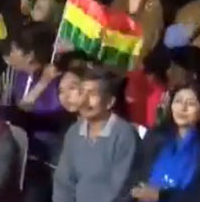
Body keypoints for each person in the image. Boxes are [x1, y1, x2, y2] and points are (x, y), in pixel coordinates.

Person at [121, 83, 200, 202]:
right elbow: (133, 179)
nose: (182, 108)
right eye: (178, 101)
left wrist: (161, 196)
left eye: (191, 103)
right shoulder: (156, 137)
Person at [53, 67, 140, 202]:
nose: (84, 101)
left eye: (92, 94)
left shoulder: (125, 135)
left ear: (110, 102)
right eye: (82, 93)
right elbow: (63, 182)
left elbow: (121, 188)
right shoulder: (74, 132)